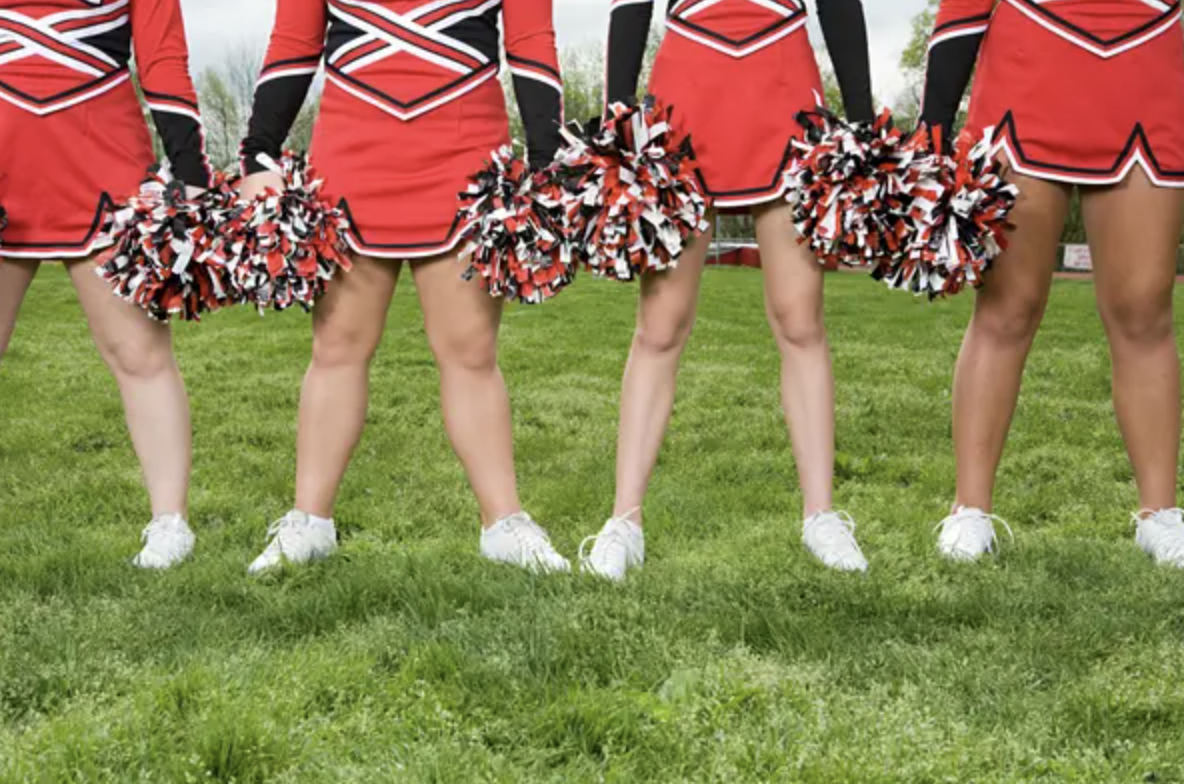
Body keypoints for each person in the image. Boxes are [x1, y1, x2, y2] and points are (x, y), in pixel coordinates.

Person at [238, 0, 570, 574]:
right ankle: (309, 521)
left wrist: (546, 159)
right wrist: (257, 150)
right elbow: (294, 40)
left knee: (470, 349)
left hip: (465, 155)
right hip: (350, 156)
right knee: (338, 345)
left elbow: (532, 41)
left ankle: (504, 523)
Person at [578, 0, 877, 581]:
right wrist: (619, 116)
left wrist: (861, 118)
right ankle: (624, 521)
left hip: (784, 89)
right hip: (684, 98)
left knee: (800, 319)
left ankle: (821, 515)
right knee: (660, 326)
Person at [921, 0, 1184, 565]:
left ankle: (1161, 516)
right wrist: (933, 125)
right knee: (1007, 307)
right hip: (1028, 61)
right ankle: (970, 511)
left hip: (1149, 67)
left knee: (1144, 307)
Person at [0, 0, 211, 569]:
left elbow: (163, 59)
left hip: (105, 164)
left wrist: (190, 171)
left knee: (140, 353)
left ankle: (171, 524)